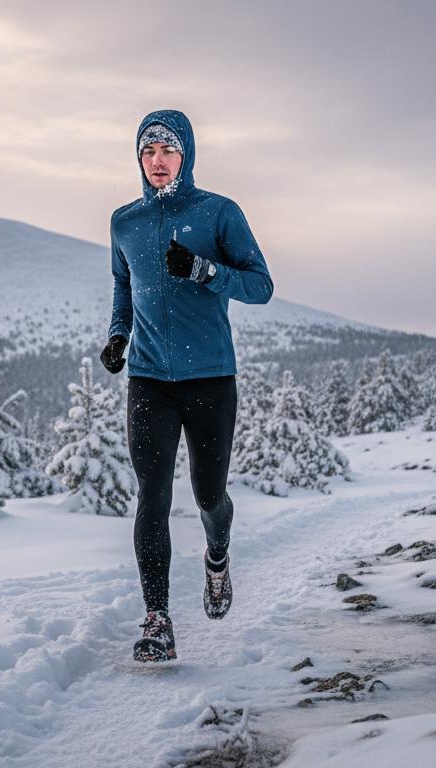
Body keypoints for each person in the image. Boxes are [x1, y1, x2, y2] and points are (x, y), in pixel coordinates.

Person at [100, 109, 274, 662]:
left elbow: (260, 286)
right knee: (151, 496)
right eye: (148, 151)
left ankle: (217, 554)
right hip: (149, 379)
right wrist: (117, 336)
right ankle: (157, 620)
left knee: (206, 494)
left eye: (167, 150)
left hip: (210, 378)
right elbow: (123, 289)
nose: (157, 161)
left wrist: (204, 271)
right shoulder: (124, 221)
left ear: (187, 155)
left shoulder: (218, 213)